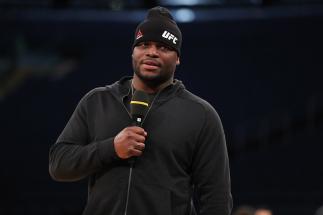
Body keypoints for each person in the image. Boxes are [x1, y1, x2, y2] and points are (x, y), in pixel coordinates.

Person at [49, 6, 232, 215]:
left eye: (163, 47)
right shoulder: (98, 101)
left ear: (178, 57)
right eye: (144, 44)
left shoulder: (201, 115)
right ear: (133, 51)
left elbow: (216, 197)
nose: (152, 52)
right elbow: (59, 163)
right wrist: (111, 148)